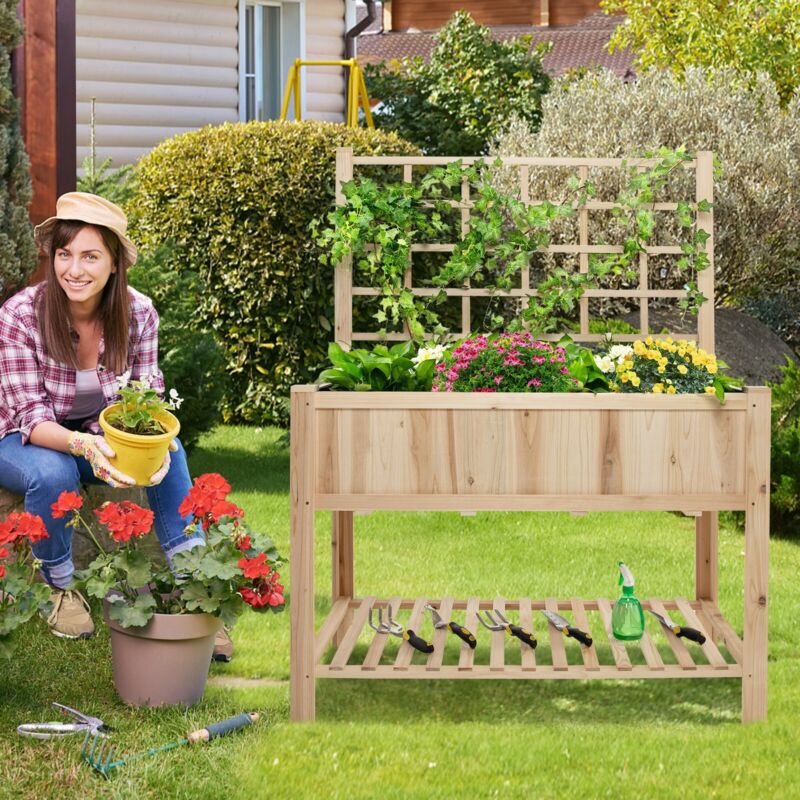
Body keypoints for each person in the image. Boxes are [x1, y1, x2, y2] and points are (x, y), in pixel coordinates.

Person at [0, 192, 233, 660]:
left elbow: (145, 399)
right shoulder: (20, 315)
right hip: (20, 441)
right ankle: (59, 588)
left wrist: (149, 443)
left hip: (99, 435)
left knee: (171, 451)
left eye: (90, 256)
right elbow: (30, 417)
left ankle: (195, 590)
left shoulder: (139, 312)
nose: (74, 269)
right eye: (65, 254)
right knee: (53, 472)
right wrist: (85, 446)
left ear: (113, 263)